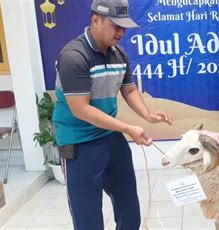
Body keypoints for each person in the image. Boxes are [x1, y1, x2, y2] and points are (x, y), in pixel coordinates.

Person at [52, 0, 172, 229]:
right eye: (116, 25)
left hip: (110, 137)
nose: (121, 32)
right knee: (87, 217)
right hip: (79, 142)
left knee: (129, 207)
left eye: (124, 26)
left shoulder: (119, 54)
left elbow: (129, 89)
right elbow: (81, 109)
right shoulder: (74, 56)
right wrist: (127, 128)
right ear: (95, 20)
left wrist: (147, 115)